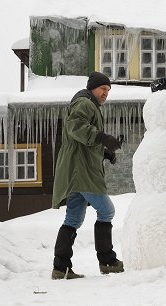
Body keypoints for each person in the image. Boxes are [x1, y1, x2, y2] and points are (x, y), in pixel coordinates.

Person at [51, 71, 124, 280]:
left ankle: (61, 267)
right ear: (93, 88)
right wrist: (102, 137)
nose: (105, 93)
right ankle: (107, 261)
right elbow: (76, 128)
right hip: (81, 170)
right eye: (103, 89)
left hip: (78, 169)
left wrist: (105, 152)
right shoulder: (84, 103)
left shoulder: (89, 104)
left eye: (108, 90)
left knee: (73, 218)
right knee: (107, 211)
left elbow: (83, 142)